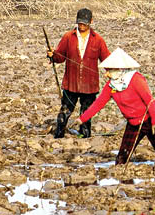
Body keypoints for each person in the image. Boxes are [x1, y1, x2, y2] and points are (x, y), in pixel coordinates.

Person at [77, 48, 155, 165]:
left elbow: (150, 102)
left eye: (109, 70)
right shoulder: (111, 86)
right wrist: (82, 119)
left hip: (150, 118)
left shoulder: (136, 79)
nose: (106, 74)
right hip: (133, 123)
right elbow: (98, 104)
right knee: (122, 158)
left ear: (120, 69)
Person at [47, 8, 110, 138]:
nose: (81, 26)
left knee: (86, 114)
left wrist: (114, 72)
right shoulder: (68, 37)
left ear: (91, 22)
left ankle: (85, 137)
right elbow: (60, 57)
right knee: (64, 112)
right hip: (71, 83)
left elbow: (106, 60)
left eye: (84, 24)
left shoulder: (98, 40)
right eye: (79, 23)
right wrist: (52, 55)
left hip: (89, 85)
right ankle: (58, 136)